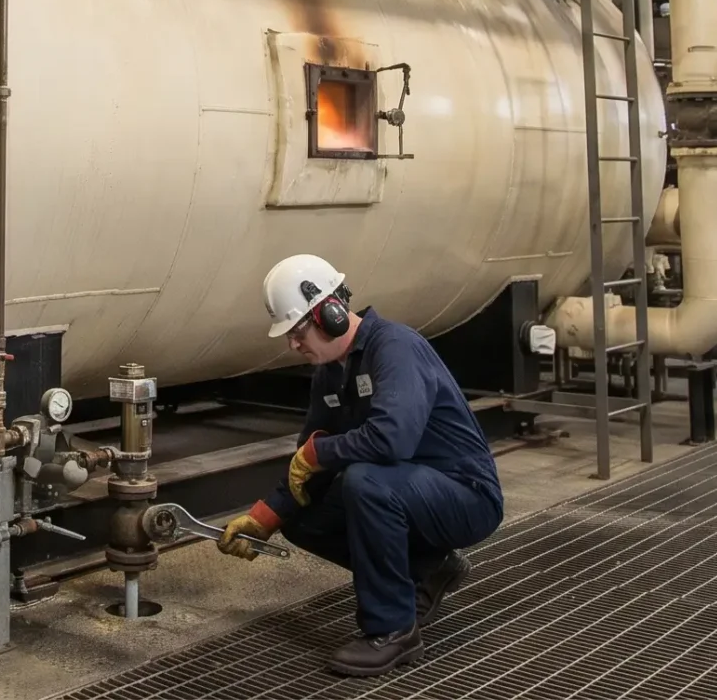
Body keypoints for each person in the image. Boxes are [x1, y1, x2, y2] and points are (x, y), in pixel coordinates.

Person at [215, 253, 504, 677]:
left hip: (465, 495)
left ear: (330, 313)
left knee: (365, 481)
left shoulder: (396, 348)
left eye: (297, 331)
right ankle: (430, 568)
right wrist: (266, 516)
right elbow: (309, 465)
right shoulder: (330, 373)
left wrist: (319, 453)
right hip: (408, 491)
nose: (292, 345)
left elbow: (391, 440)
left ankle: (394, 632)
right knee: (304, 517)